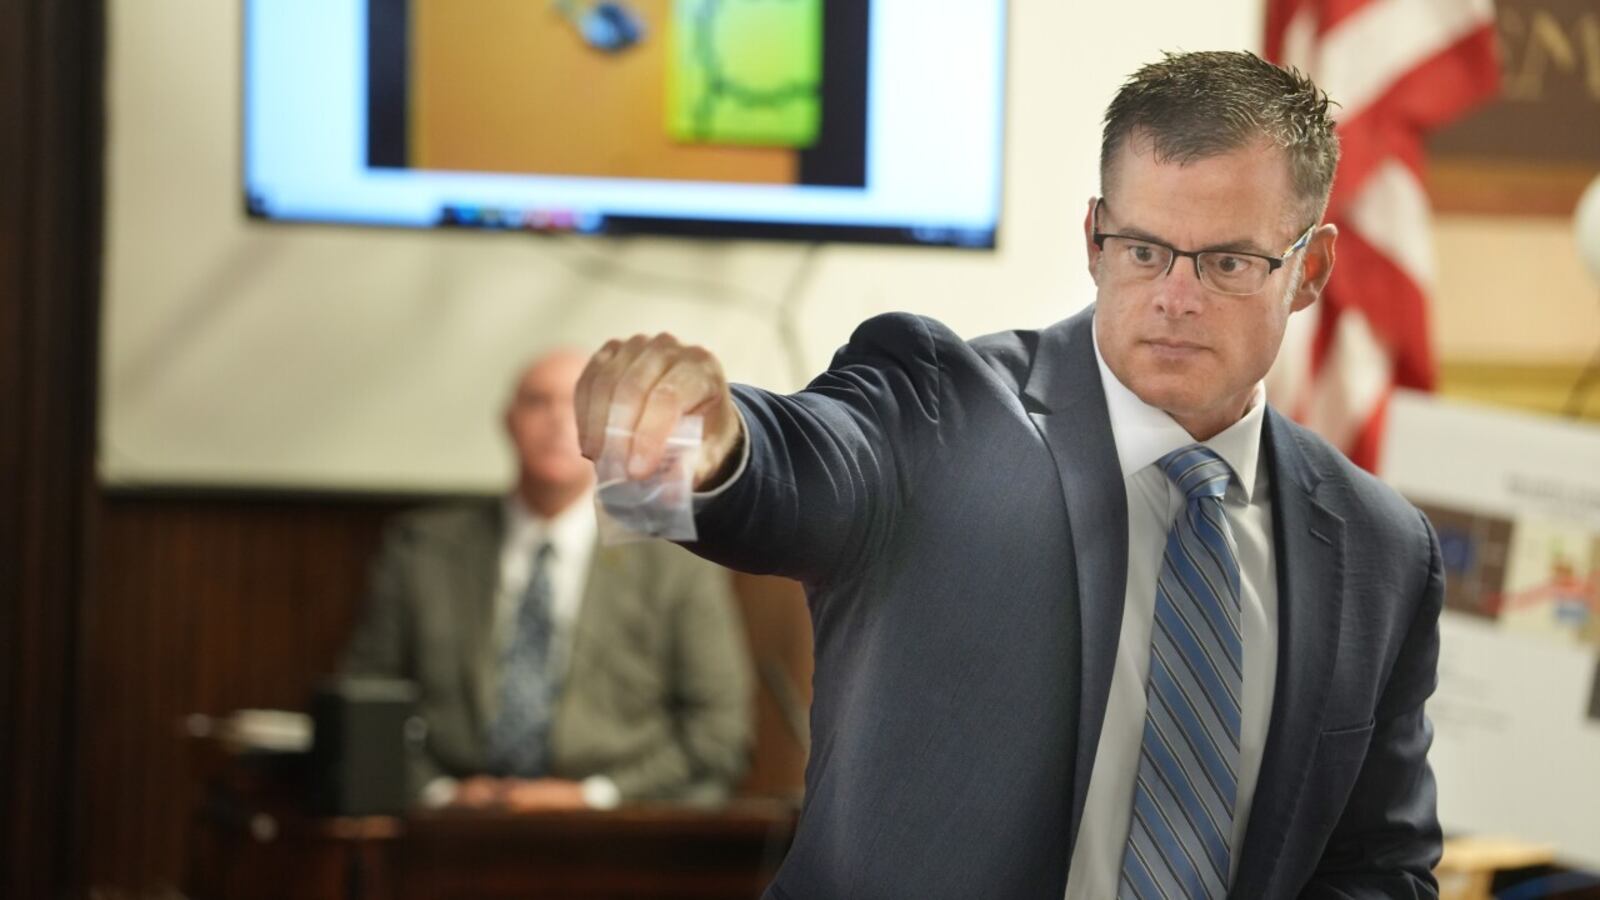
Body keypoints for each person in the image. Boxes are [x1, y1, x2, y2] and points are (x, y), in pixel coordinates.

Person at [575, 51, 1444, 898]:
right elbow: (795, 463)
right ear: (1096, 239)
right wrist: (708, 443)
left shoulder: (1381, 550)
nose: (1176, 297)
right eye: (1143, 250)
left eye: (1227, 263)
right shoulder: (937, 409)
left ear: (1311, 270)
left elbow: (1379, 869)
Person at [341, 349, 752, 811]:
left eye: (580, 405)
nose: (558, 421)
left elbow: (717, 732)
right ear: (508, 421)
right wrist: (442, 795)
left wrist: (592, 798)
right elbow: (365, 706)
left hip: (616, 834)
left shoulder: (674, 560)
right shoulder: (422, 549)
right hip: (447, 829)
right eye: (538, 402)